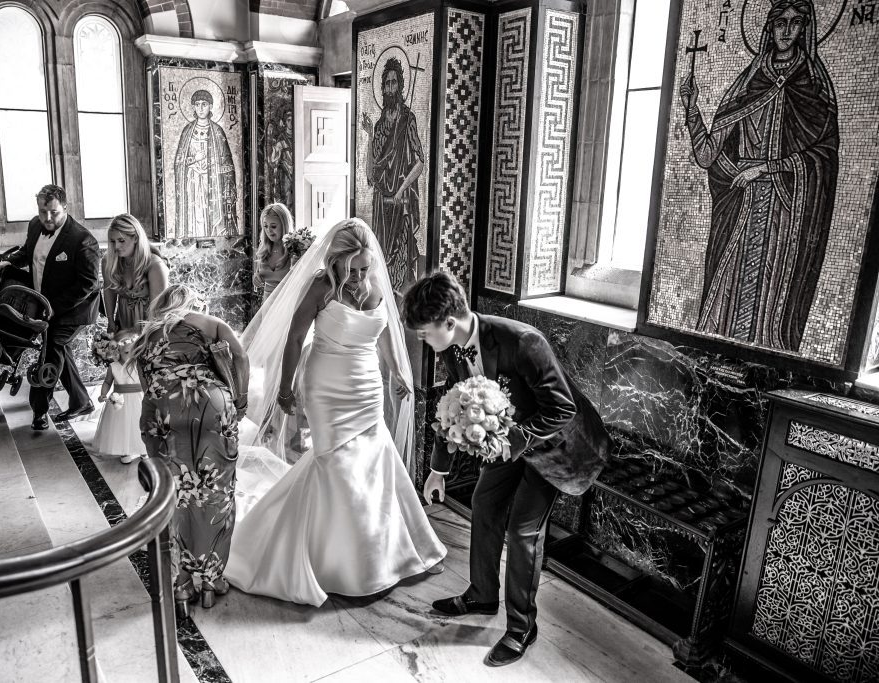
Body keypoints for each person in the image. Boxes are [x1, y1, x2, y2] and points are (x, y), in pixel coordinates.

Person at [225, 218, 446, 607]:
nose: (360, 276)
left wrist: (397, 372)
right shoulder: (321, 287)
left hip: (366, 387)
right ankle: (336, 564)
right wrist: (284, 389)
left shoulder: (375, 284)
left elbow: (386, 334)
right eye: (353, 268)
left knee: (375, 461)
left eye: (365, 267)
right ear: (336, 260)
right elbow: (295, 338)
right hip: (326, 386)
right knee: (336, 466)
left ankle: (391, 553)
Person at [402, 271, 610, 667]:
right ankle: (481, 594)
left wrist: (514, 440)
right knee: (484, 504)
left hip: (556, 447)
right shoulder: (452, 348)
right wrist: (439, 471)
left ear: (449, 322)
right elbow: (453, 405)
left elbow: (563, 408)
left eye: (424, 332)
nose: (422, 340)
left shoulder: (523, 341)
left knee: (522, 531)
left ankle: (521, 627)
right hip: (508, 444)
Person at [678, 0, 838, 352]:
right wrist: (692, 109)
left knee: (771, 298)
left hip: (785, 207)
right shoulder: (749, 84)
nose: (787, 30)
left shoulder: (813, 88)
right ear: (768, 26)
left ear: (805, 29)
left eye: (796, 23)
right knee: (724, 300)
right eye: (781, 21)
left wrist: (766, 168)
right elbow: (707, 155)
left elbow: (823, 156)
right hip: (742, 204)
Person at [128, 284, 249, 613]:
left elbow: (148, 387)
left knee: (176, 494)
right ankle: (210, 580)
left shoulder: (149, 335)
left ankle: (181, 584)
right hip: (212, 405)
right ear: (193, 303)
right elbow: (239, 355)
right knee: (217, 493)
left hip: (165, 407)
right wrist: (241, 399)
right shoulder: (210, 323)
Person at [1, 185, 101, 431]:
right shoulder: (36, 225)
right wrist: (10, 262)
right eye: (43, 211)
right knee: (58, 350)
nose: (47, 218)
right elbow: (28, 253)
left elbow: (88, 283)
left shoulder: (83, 239)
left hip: (74, 309)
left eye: (53, 212)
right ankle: (81, 401)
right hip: (44, 303)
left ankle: (39, 411)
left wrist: (52, 307)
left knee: (52, 348)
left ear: (65, 208)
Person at [360, 57, 425, 292]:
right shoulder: (379, 127)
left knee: (400, 262)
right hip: (381, 205)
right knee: (380, 264)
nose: (389, 88)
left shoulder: (408, 120)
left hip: (399, 203)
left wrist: (400, 190)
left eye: (394, 83)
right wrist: (368, 137)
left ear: (400, 86)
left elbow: (420, 162)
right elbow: (370, 175)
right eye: (386, 84)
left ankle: (401, 310)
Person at [174, 89, 239, 238]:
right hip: (193, 182)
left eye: (204, 104)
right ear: (193, 107)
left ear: (210, 106)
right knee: (196, 214)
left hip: (214, 183)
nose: (201, 108)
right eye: (197, 105)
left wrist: (213, 166)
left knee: (213, 215)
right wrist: (195, 159)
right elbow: (179, 162)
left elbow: (228, 163)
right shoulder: (187, 131)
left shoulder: (217, 131)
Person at [102, 213, 169, 335]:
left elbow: (158, 310)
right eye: (113, 241)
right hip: (122, 320)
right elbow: (108, 289)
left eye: (121, 240)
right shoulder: (109, 261)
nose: (116, 246)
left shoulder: (155, 265)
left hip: (150, 323)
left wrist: (143, 335)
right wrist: (110, 320)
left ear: (136, 238)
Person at [93, 332, 145, 465]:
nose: (131, 355)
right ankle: (124, 450)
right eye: (127, 352)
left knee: (139, 423)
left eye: (133, 352)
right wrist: (103, 394)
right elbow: (107, 382)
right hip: (119, 401)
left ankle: (143, 449)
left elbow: (145, 380)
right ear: (119, 352)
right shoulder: (113, 367)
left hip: (138, 398)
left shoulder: (138, 364)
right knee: (122, 425)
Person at [252, 203, 294, 299]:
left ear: (284, 225)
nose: (268, 231)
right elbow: (258, 275)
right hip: (267, 306)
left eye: (273, 226)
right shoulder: (264, 249)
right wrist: (256, 278)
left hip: (287, 305)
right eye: (265, 226)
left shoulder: (295, 249)